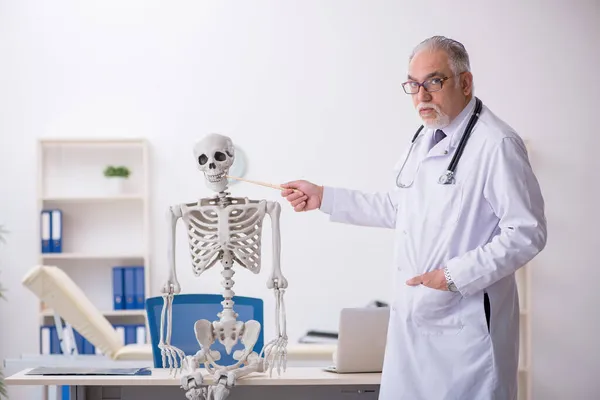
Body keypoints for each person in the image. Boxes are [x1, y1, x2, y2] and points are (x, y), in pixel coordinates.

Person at [280, 36, 547, 400]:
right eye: (413, 85)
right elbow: (401, 207)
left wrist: (452, 276)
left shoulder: (496, 144)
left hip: (466, 332)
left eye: (434, 82)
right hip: (414, 325)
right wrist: (324, 197)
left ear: (465, 83)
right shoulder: (425, 136)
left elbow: (526, 233)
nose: (421, 95)